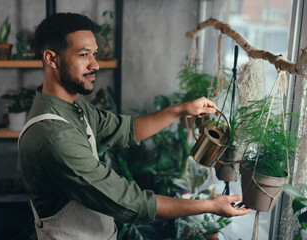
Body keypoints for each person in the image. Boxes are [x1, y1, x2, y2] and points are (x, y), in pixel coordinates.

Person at [17, 12, 252, 240]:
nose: (95, 65)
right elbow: (130, 201)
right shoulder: (54, 137)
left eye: (95, 54)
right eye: (83, 55)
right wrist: (209, 205)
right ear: (51, 58)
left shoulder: (73, 106)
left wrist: (181, 109)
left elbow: (124, 130)